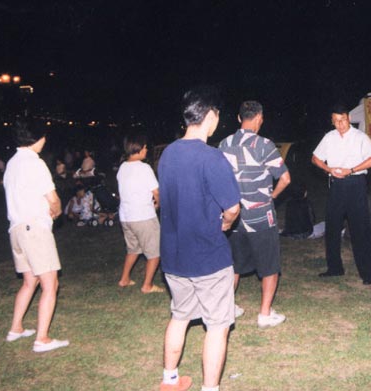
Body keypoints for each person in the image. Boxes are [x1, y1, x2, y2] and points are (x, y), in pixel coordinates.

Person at [157, 87, 241, 391]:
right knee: (217, 326)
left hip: (174, 255)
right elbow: (232, 207)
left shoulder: (168, 153)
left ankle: (170, 379)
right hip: (208, 256)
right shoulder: (212, 157)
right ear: (211, 116)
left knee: (180, 316)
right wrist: (226, 224)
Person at [219, 101, 291, 328]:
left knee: (233, 264)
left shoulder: (224, 144)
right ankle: (264, 314)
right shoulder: (264, 145)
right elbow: (285, 178)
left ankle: (227, 308)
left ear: (239, 118)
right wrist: (272, 197)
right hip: (260, 216)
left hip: (233, 217)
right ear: (259, 118)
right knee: (270, 265)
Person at [3, 119, 69, 353]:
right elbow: (53, 199)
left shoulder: (12, 163)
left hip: (16, 229)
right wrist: (57, 211)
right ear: (38, 138)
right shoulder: (35, 163)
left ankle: (16, 328)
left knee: (30, 281)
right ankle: (42, 339)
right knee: (51, 283)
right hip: (35, 229)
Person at [311, 103, 371, 283]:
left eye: (342, 120)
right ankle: (334, 268)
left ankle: (367, 273)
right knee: (332, 228)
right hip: (336, 185)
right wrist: (328, 169)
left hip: (355, 184)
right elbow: (315, 158)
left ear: (348, 118)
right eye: (336, 121)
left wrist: (352, 170)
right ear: (332, 122)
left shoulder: (360, 137)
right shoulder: (329, 137)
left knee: (360, 229)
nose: (340, 124)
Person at [116, 134, 164, 294]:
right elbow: (156, 192)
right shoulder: (144, 168)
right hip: (143, 216)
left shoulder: (122, 167)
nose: (146, 149)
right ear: (138, 148)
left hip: (126, 217)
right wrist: (158, 204)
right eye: (144, 147)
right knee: (155, 252)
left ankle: (124, 279)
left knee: (133, 249)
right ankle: (147, 286)